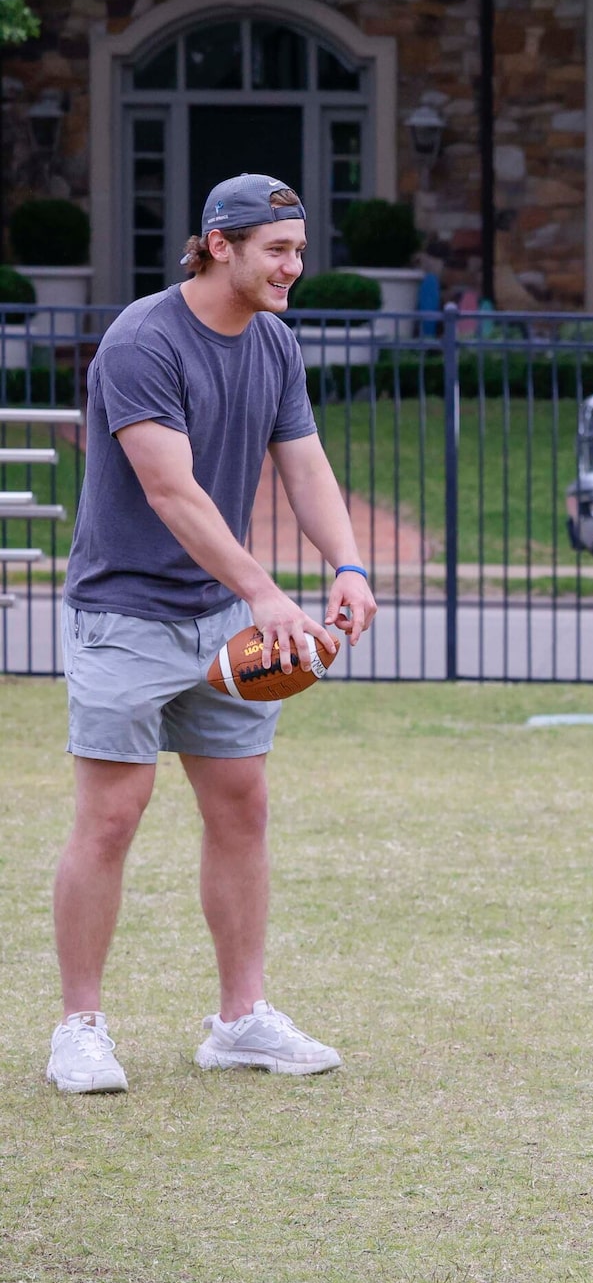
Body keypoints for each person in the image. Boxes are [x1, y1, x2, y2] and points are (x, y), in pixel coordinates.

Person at [46, 174, 379, 1095]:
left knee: (242, 807)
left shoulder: (272, 341)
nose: (294, 268)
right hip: (125, 613)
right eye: (278, 250)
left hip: (221, 619)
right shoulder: (143, 342)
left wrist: (348, 565)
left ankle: (239, 1020)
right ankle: (79, 1026)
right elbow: (172, 492)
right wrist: (270, 595)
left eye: (300, 251)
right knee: (111, 815)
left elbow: (304, 466)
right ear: (218, 244)